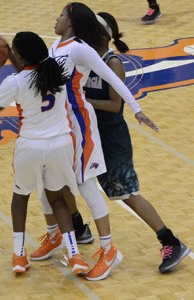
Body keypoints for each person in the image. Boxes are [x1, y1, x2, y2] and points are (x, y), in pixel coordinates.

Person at [30, 2, 159, 281]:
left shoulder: (79, 49)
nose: (57, 17)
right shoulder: (55, 46)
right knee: (48, 180)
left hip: (80, 126)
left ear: (72, 22)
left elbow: (113, 77)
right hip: (58, 125)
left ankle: (109, 249)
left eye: (62, 14)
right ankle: (55, 236)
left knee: (86, 186)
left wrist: (136, 109)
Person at [0, 31, 90, 276]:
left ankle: (19, 255)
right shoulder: (56, 72)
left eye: (15, 52)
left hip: (30, 146)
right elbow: (32, 71)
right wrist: (18, 61)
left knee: (20, 197)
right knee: (58, 199)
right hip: (60, 145)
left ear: (22, 56)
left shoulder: (15, 82)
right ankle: (75, 255)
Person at [84, 11, 190, 274]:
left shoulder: (112, 62)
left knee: (126, 193)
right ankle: (77, 226)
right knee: (72, 179)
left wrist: (81, 101)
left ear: (102, 34)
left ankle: (170, 240)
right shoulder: (85, 60)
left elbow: (113, 104)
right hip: (90, 135)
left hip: (112, 137)